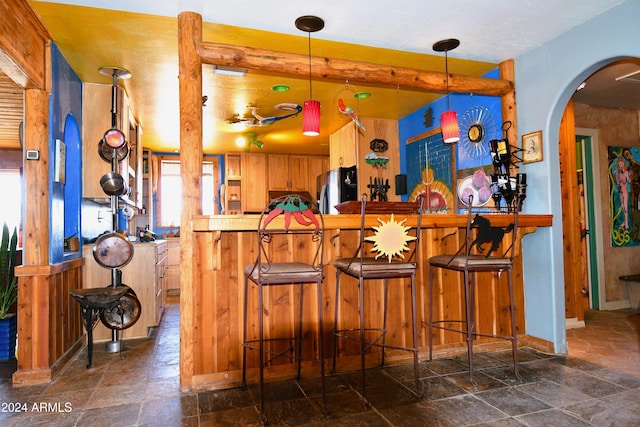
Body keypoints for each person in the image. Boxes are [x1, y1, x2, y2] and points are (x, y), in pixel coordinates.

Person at [622, 148, 640, 239]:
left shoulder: (638, 166)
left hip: (639, 192)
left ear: (631, 154)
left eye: (628, 153)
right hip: (633, 192)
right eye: (625, 155)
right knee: (633, 211)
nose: (627, 156)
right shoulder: (628, 169)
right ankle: (635, 230)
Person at [615, 157, 630, 229]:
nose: (621, 165)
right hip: (620, 191)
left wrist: (629, 175)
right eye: (619, 164)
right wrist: (616, 177)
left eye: (622, 164)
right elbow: (617, 183)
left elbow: (629, 181)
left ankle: (626, 223)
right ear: (618, 165)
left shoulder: (626, 172)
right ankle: (624, 221)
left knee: (625, 207)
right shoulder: (617, 173)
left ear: (624, 164)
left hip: (625, 191)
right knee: (623, 207)